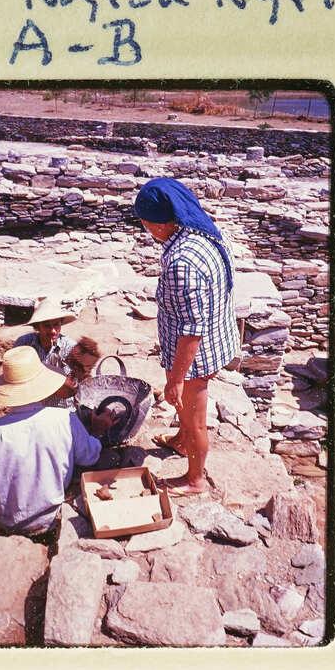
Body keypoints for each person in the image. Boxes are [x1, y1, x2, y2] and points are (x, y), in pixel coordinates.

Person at [134, 177, 240, 496]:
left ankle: (194, 479)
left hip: (196, 354)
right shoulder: (200, 233)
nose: (147, 229)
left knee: (195, 418)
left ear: (161, 223)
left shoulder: (182, 262)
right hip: (214, 339)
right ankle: (181, 442)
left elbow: (191, 329)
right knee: (186, 414)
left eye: (147, 223)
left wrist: (176, 379)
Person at [0, 346, 116, 539]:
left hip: (10, 523)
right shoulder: (63, 419)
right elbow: (89, 457)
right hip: (50, 519)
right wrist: (98, 431)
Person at [13, 297, 99, 408]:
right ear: (37, 326)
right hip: (32, 404)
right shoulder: (24, 343)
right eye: (47, 326)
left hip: (61, 407)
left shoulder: (69, 348)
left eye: (56, 325)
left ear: (61, 324)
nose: (53, 331)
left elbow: (78, 384)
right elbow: (16, 375)